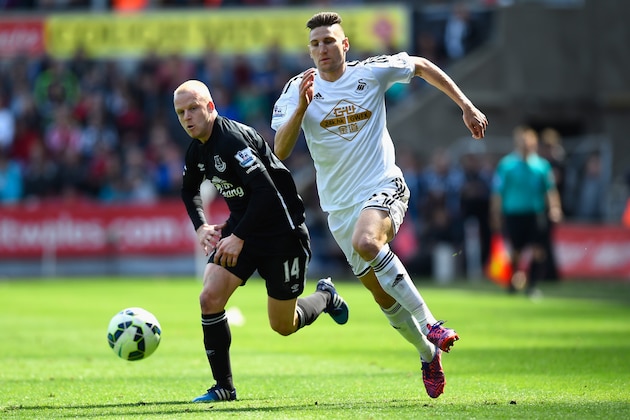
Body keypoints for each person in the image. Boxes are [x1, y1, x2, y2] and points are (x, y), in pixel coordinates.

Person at [271, 11, 488, 399]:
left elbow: (421, 66)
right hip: (338, 208)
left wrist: (466, 105)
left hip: (382, 185)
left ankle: (431, 322)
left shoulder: (369, 72)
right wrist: (302, 109)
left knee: (368, 242)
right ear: (310, 50)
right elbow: (281, 149)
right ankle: (426, 352)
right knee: (384, 298)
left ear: (345, 44)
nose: (322, 49)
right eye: (315, 44)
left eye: (329, 41)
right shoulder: (296, 89)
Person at [175, 79, 349, 403]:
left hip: (283, 233)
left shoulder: (230, 140)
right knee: (209, 297)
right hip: (245, 229)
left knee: (283, 325)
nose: (187, 117)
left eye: (194, 108)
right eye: (181, 111)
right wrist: (201, 226)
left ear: (210, 107)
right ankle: (223, 388)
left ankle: (325, 296)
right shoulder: (197, 149)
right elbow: (188, 189)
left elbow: (267, 193)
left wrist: (237, 236)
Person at [490, 126, 563, 297]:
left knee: (538, 250)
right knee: (515, 250)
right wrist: (495, 212)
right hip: (513, 213)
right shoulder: (507, 165)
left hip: (535, 213)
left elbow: (550, 190)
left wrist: (555, 208)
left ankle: (532, 285)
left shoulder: (542, 166)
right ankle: (513, 280)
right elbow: (498, 192)